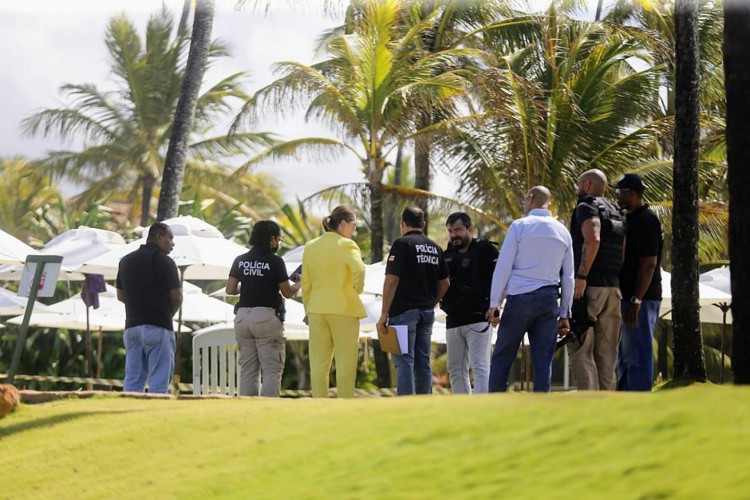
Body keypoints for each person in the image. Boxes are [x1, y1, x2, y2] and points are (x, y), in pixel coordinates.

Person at [485, 186, 574, 393]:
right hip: (549, 299)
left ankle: (496, 402)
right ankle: (542, 406)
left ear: (531, 198)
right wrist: (565, 314)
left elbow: (504, 267)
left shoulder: (519, 226)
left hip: (520, 298)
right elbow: (568, 276)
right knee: (544, 359)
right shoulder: (563, 232)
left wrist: (494, 303)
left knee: (503, 355)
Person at [377, 206, 450, 396]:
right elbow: (445, 282)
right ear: (423, 224)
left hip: (403, 312)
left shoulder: (401, 244)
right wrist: (432, 301)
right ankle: (424, 401)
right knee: (423, 361)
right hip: (426, 312)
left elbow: (392, 280)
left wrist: (384, 313)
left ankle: (406, 403)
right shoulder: (435, 248)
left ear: (403, 223)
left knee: (404, 361)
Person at [226, 220, 300, 397]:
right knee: (271, 370)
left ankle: (246, 410)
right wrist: (299, 283)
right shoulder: (275, 261)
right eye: (279, 241)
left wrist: (249, 285)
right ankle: (268, 410)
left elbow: (230, 289)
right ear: (272, 239)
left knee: (248, 371)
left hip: (243, 317)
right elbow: (287, 292)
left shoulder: (240, 260)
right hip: (266, 317)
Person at [567, 169, 626, 391]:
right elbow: (622, 252)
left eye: (579, 184)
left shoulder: (586, 206)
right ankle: (607, 408)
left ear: (588, 184)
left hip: (589, 288)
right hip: (613, 289)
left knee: (581, 348)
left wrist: (582, 275)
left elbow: (593, 239)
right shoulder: (618, 212)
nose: (577, 189)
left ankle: (588, 405)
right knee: (608, 354)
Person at [301, 206, 366, 398]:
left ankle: (319, 403)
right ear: (343, 223)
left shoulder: (311, 246)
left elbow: (306, 283)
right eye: (354, 224)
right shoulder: (347, 245)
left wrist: (308, 309)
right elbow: (360, 270)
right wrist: (356, 290)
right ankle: (345, 403)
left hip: (316, 309)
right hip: (343, 308)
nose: (355, 228)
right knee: (346, 362)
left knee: (318, 364)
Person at [116, 222, 182, 393]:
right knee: (159, 380)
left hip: (132, 328)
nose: (172, 244)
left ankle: (128, 416)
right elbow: (176, 296)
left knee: (132, 380)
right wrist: (169, 314)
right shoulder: (165, 261)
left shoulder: (125, 261)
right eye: (170, 238)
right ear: (158, 237)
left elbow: (121, 296)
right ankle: (157, 417)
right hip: (159, 326)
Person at [613, 174, 663, 391]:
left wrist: (636, 299)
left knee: (638, 355)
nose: (617, 195)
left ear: (632, 194)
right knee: (625, 356)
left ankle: (639, 401)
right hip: (627, 296)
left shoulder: (646, 220)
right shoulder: (629, 218)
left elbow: (649, 264)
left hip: (641, 297)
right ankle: (625, 402)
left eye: (620, 191)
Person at [440, 212, 498, 394]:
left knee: (480, 366)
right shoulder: (446, 255)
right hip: (453, 320)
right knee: (455, 369)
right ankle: (461, 408)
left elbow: (500, 280)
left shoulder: (486, 251)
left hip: (478, 318)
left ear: (470, 230)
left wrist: (495, 307)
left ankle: (482, 408)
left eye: (458, 230)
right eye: (450, 231)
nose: (454, 235)